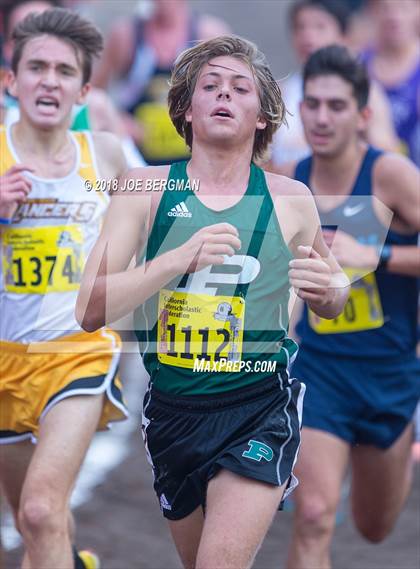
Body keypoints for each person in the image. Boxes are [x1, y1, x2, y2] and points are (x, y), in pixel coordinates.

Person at [76, 35, 349, 569]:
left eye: (240, 87)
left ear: (264, 116)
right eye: (210, 85)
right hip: (174, 411)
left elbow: (334, 293)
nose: (224, 94)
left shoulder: (291, 199)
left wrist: (329, 290)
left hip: (258, 405)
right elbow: (89, 309)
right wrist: (173, 261)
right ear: (185, 108)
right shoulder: (143, 188)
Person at [275, 45, 419, 569]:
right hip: (320, 370)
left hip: (391, 372)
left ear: (362, 116)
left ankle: (398, 447)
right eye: (311, 104)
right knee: (313, 513)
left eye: (335, 106)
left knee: (374, 528)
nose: (320, 117)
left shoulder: (392, 177)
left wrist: (374, 255)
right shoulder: (291, 179)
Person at [0, 8, 128, 569]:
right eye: (36, 67)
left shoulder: (105, 154)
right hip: (6, 361)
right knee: (40, 526)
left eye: (63, 70)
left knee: (40, 513)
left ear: (83, 88)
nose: (49, 79)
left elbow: (170, 200)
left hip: (78, 352)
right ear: (11, 80)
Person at [1, 0, 146, 168]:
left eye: (51, 29)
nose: (44, 41)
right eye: (27, 34)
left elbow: (144, 184)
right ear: (8, 48)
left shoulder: (96, 109)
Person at [93, 0, 230, 165]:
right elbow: (93, 94)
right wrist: (117, 121)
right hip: (138, 162)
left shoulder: (209, 35)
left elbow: (232, 96)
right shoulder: (126, 35)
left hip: (196, 161)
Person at [269, 0, 398, 168]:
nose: (308, 36)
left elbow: (386, 152)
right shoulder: (279, 93)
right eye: (300, 27)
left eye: (320, 27)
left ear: (343, 37)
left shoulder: (365, 90)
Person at [361, 0, 420, 166]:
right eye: (385, 8)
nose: (394, 16)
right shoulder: (356, 64)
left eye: (403, 7)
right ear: (372, 11)